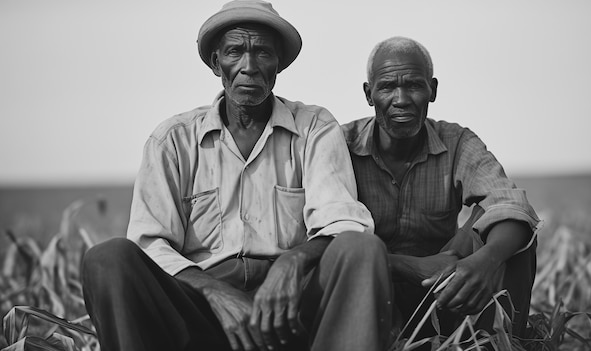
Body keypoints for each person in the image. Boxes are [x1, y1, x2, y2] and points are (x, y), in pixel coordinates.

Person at [81, 1, 392, 350]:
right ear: (217, 63)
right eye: (234, 52)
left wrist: (290, 262)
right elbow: (150, 243)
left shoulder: (314, 128)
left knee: (361, 248)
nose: (249, 66)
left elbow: (343, 222)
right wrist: (216, 293)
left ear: (278, 65)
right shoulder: (173, 140)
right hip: (200, 310)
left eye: (262, 52)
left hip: (289, 308)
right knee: (107, 258)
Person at [342, 36, 541, 341]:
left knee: (504, 234)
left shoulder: (457, 142)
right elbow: (320, 241)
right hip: (368, 297)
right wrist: (412, 267)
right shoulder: (341, 146)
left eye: (413, 85)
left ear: (432, 90)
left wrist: (485, 261)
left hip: (445, 294)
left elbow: (510, 204)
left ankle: (499, 344)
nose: (401, 99)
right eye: (387, 87)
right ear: (369, 94)